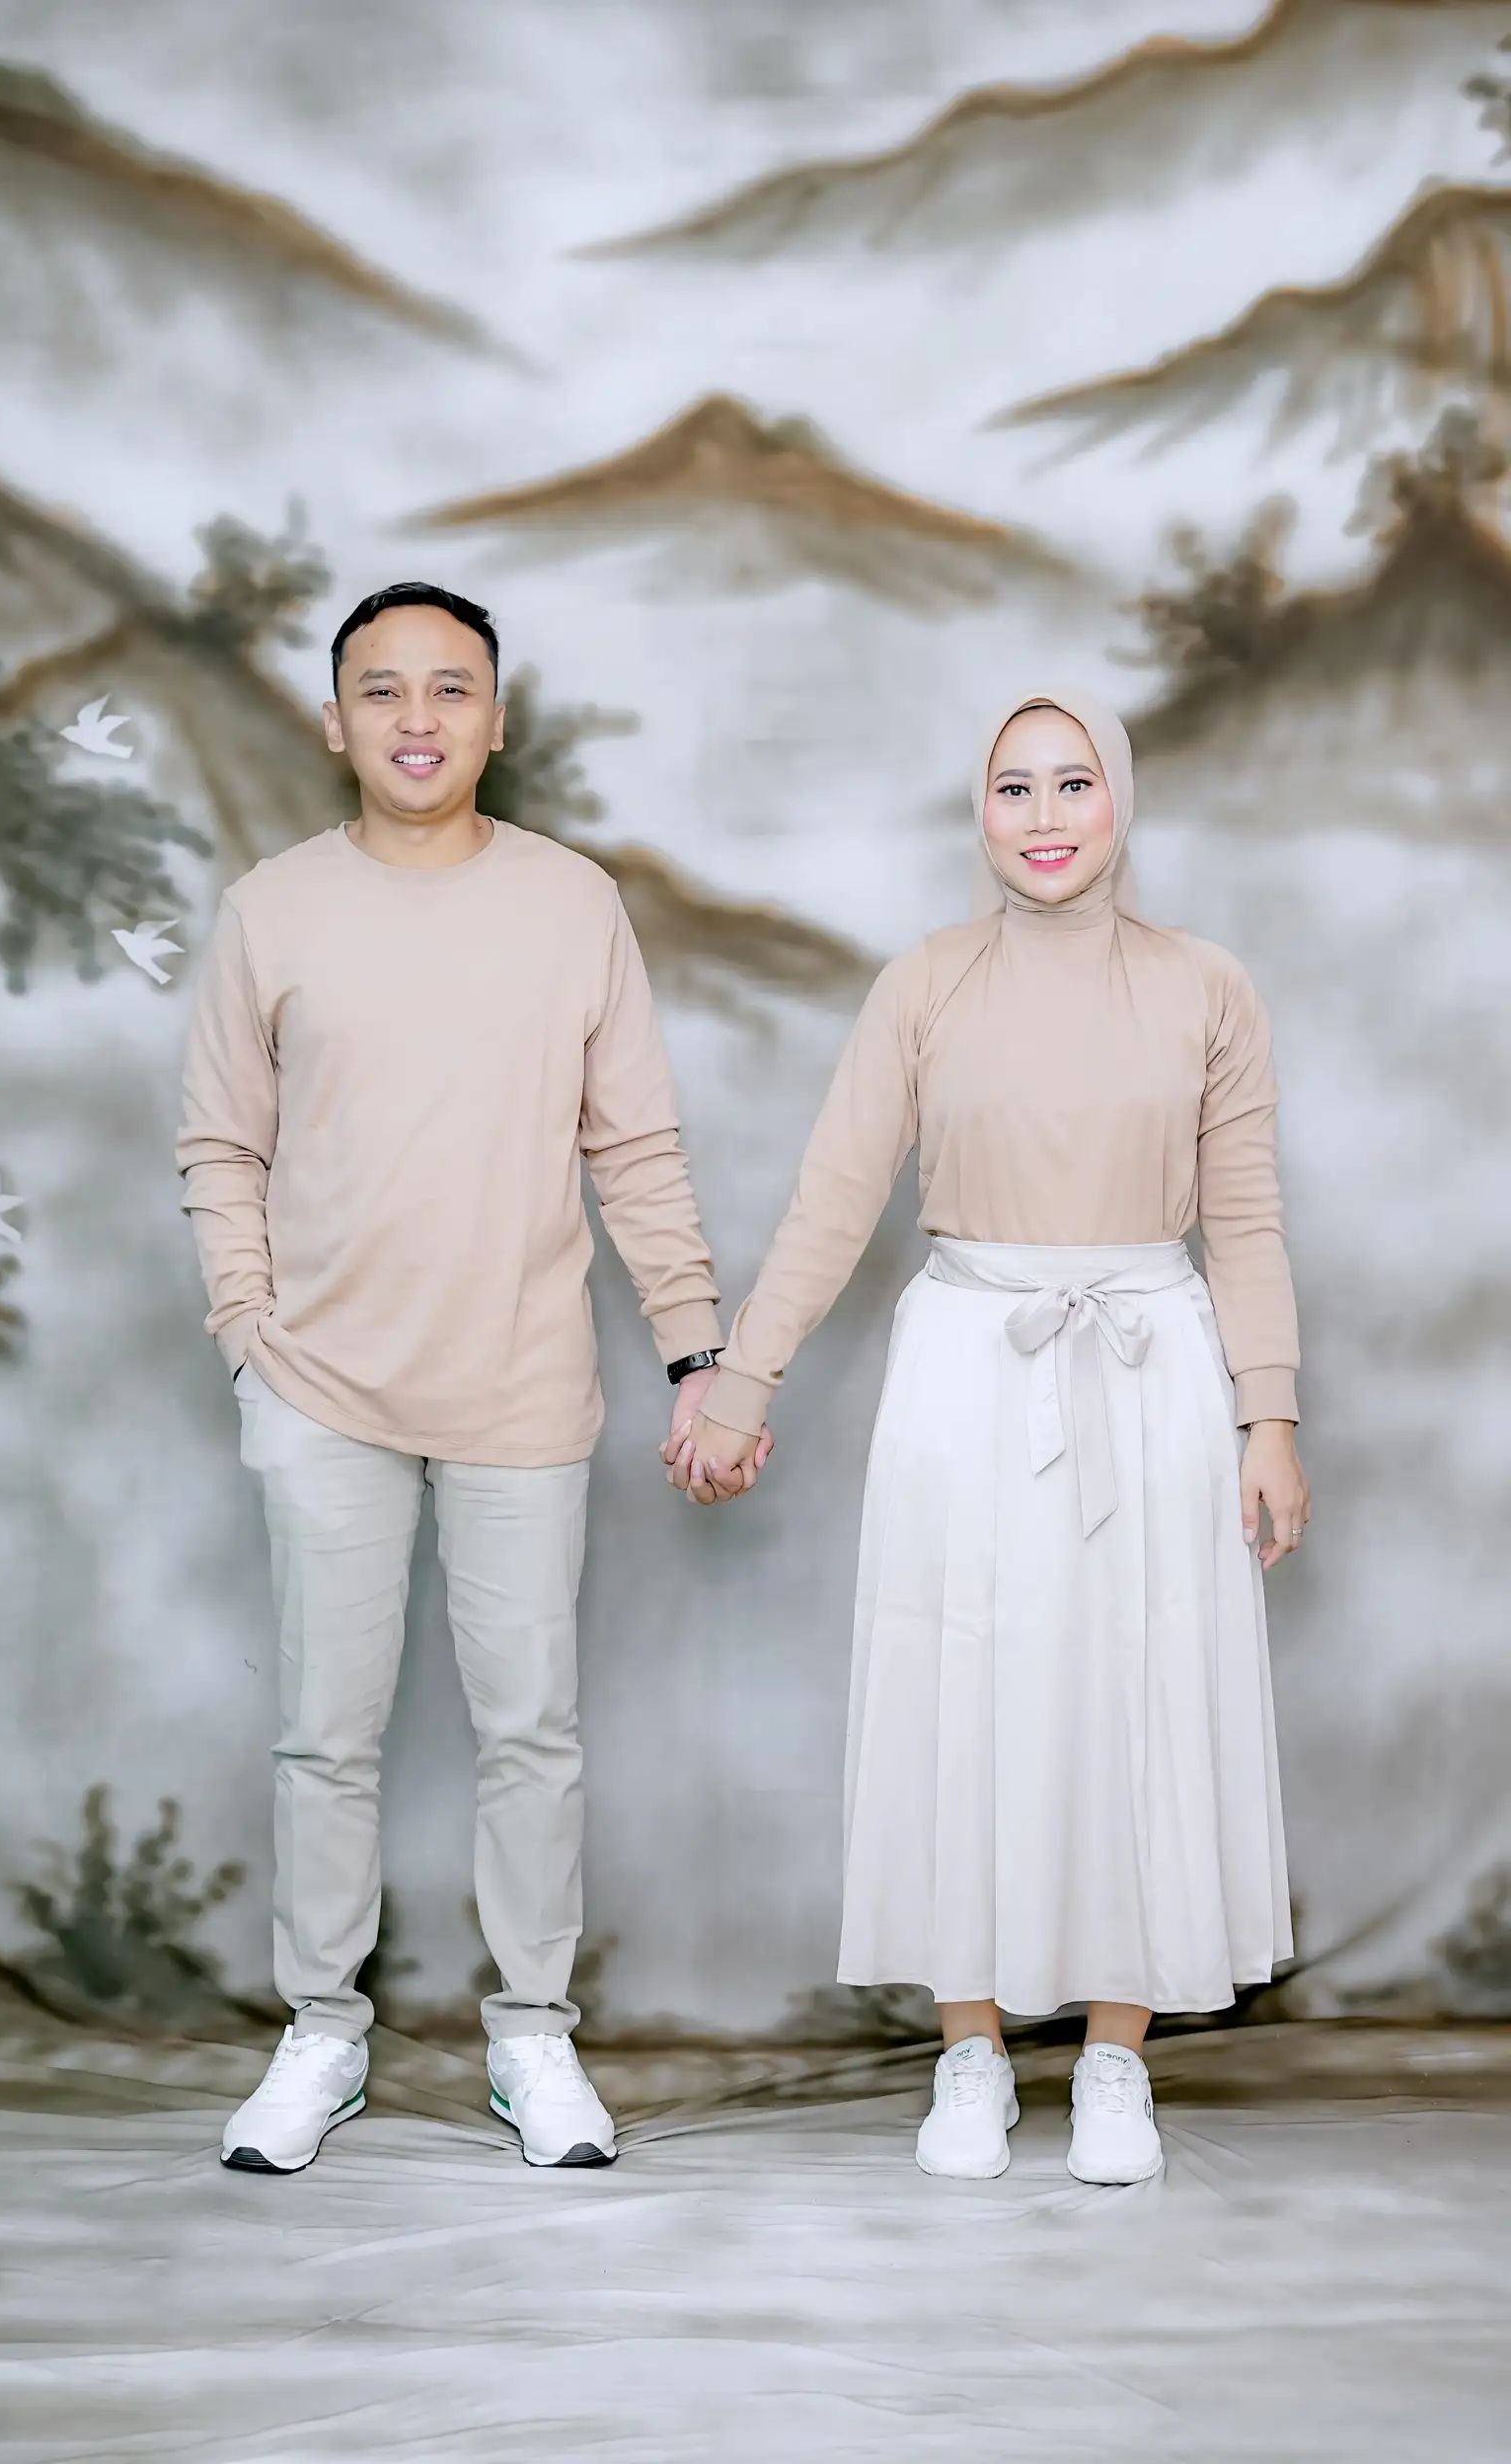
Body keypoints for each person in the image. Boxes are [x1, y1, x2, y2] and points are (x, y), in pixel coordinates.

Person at [666, 688, 1308, 2187]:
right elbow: (834, 1199)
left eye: (1074, 783)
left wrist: (1267, 1414)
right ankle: (969, 2048)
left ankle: (1115, 2057)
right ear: (980, 811)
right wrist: (742, 1383)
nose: (1045, 817)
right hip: (966, 1363)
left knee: (1136, 1691)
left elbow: (1246, 1216)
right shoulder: (926, 984)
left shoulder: (1207, 987)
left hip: (1152, 1366)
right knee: (961, 1684)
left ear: (1120, 799)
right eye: (1015, 787)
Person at [178, 582, 740, 2175]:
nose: (416, 718)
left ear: (498, 719)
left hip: (520, 1387)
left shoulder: (573, 905)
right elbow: (221, 1144)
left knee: (531, 1731)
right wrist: (249, 1335)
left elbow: (635, 1148)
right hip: (321, 1390)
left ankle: (533, 2038)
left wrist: (696, 1347)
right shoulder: (271, 909)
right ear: (333, 720)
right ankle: (322, 2033)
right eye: (382, 689)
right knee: (324, 1733)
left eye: (450, 688)